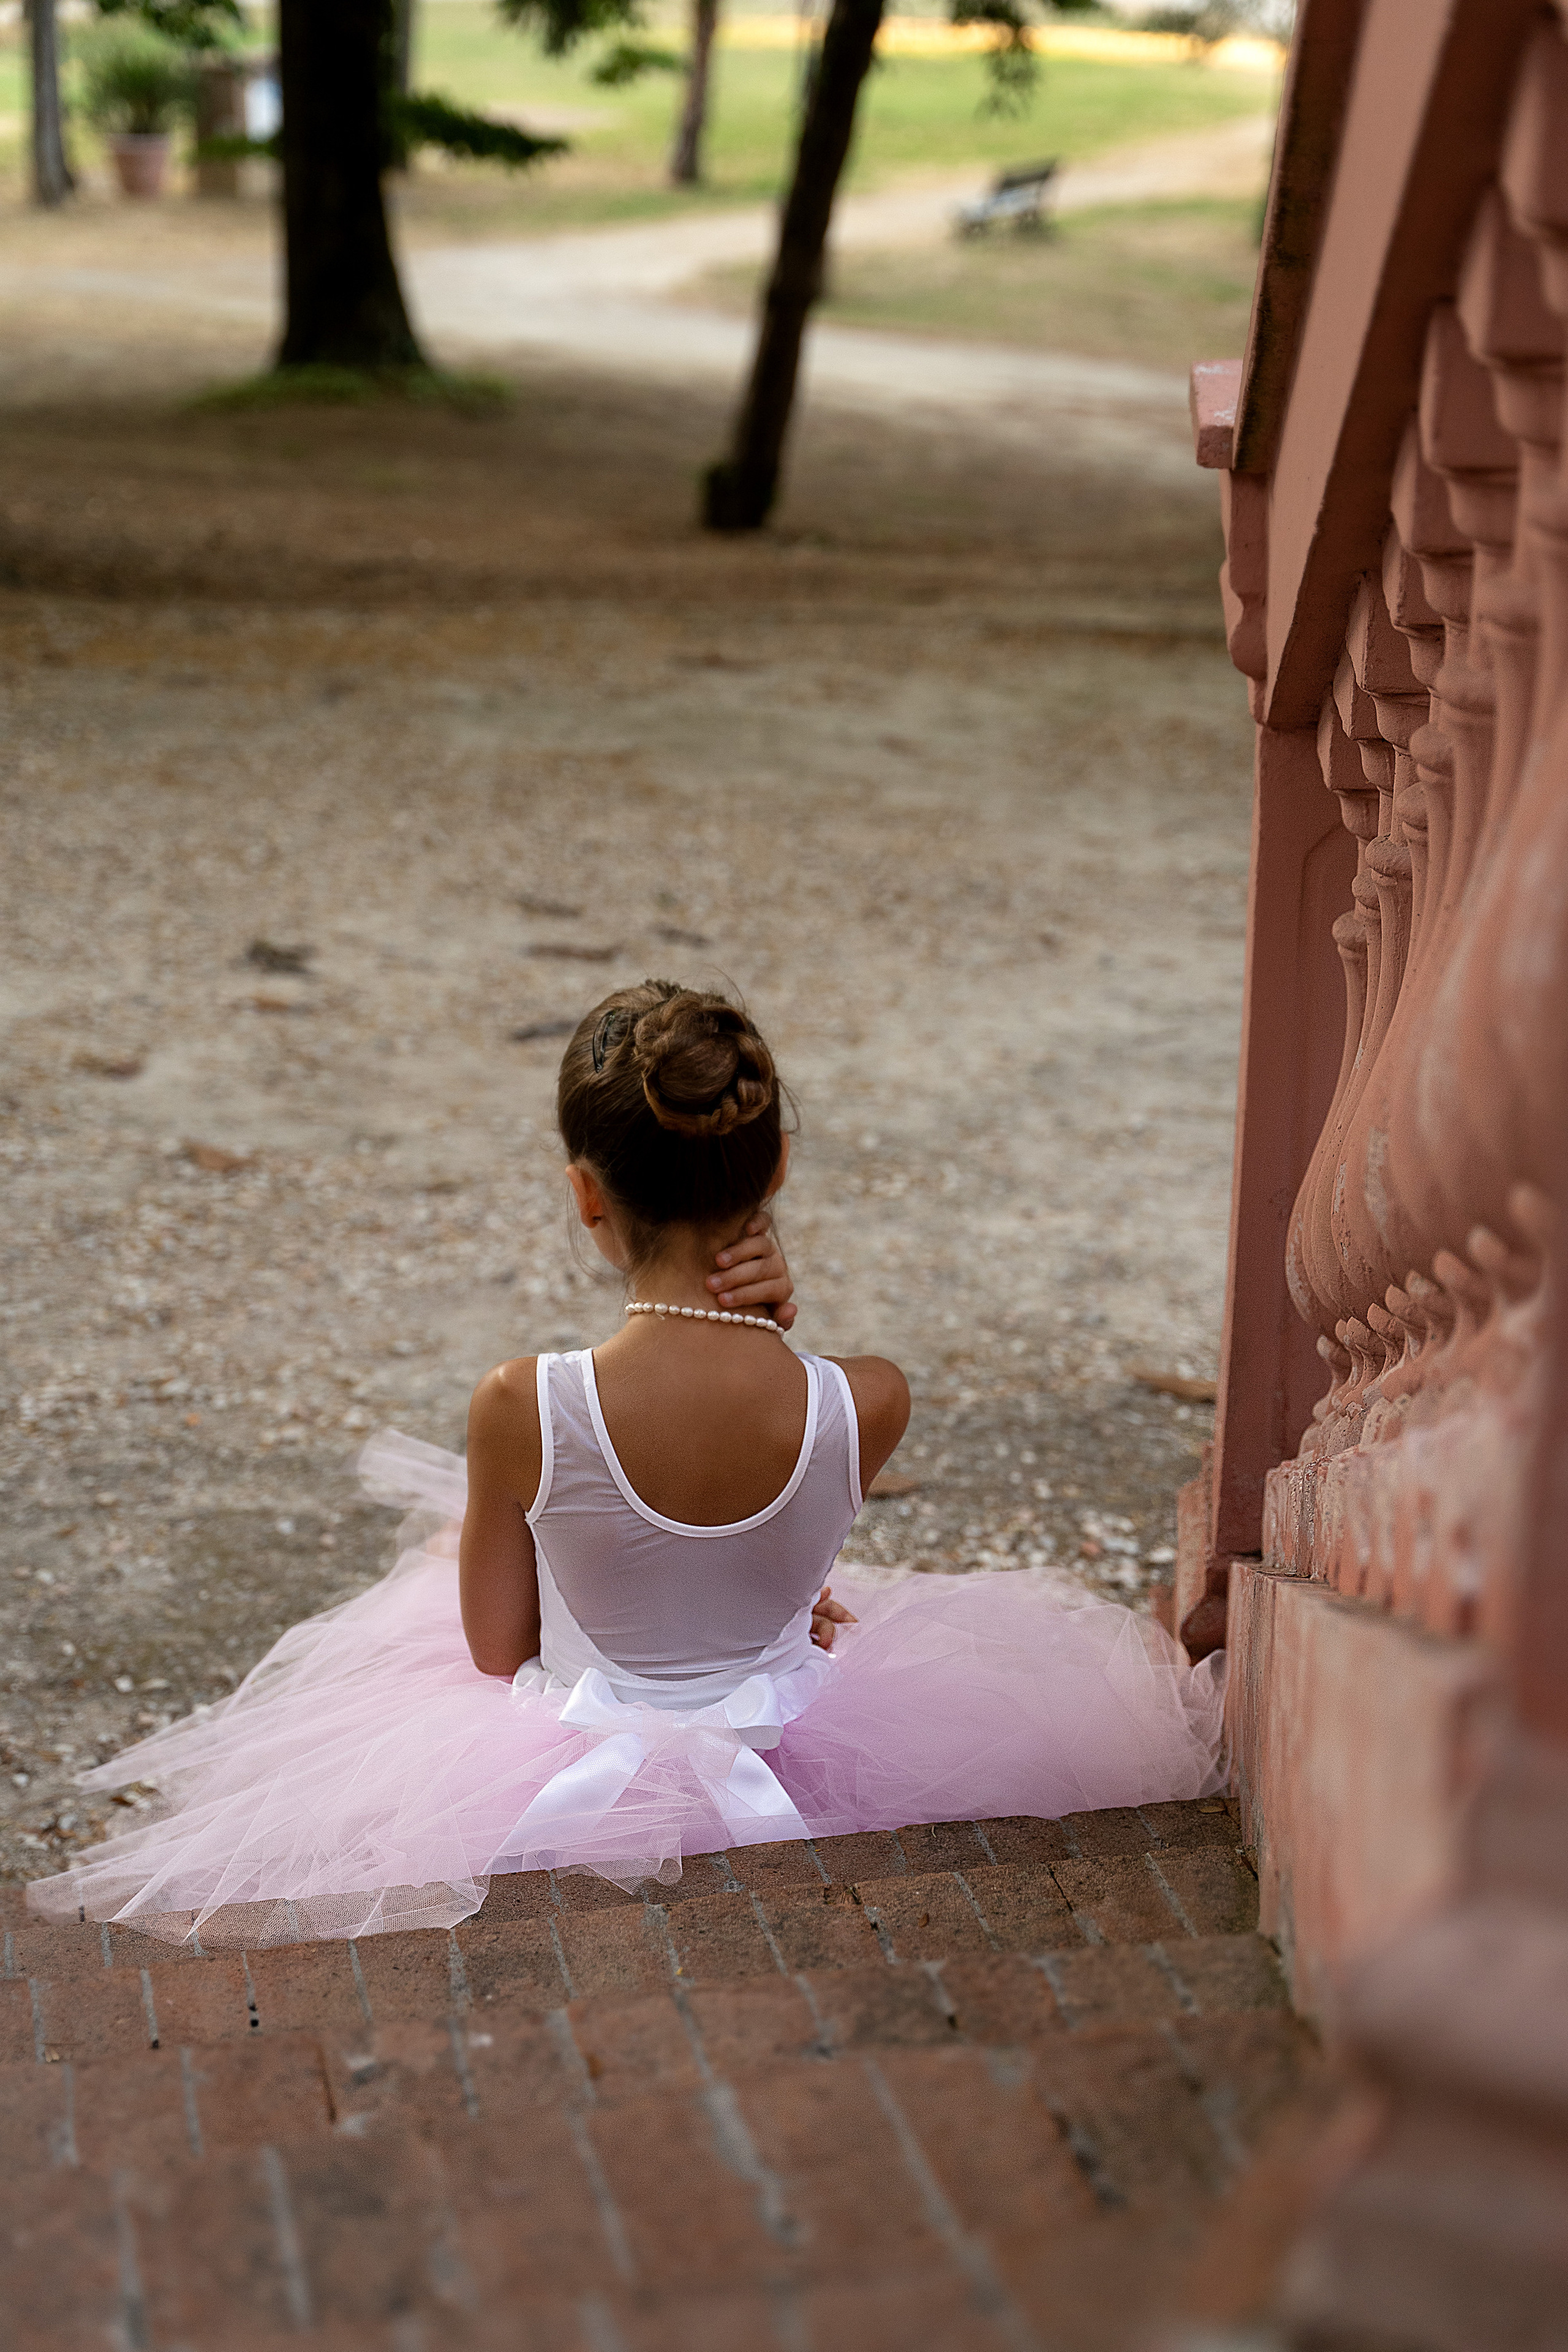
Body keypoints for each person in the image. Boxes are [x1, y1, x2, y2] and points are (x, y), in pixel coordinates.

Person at [28, 982, 1224, 1948]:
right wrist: (777, 1333)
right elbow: (769, 1506)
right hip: (803, 1744)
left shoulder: (522, 1404)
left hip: (559, 1762)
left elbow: (500, 1651)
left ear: (585, 1195)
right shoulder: (867, 1400)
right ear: (774, 1175)